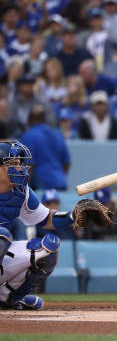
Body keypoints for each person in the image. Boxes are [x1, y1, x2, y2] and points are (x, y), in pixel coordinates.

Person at [0, 141, 79, 310]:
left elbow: (47, 219)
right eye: (13, 163)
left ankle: (7, 298)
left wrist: (74, 215)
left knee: (48, 249)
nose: (20, 168)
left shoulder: (21, 192)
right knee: (2, 235)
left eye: (20, 163)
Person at [21, 105, 70, 190]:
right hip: (60, 183)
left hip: (41, 188)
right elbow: (67, 162)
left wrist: (24, 190)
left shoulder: (29, 136)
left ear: (29, 120)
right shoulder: (57, 135)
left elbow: (29, 165)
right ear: (44, 119)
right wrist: (59, 176)